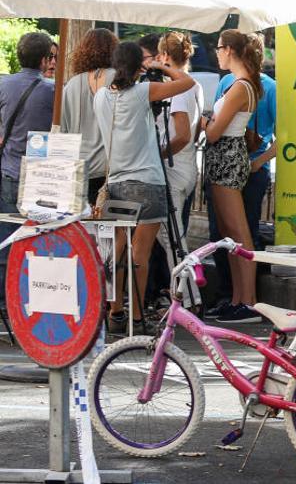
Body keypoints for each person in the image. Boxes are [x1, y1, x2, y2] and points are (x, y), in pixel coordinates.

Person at [94, 41, 195, 334]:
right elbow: (186, 82)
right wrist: (160, 66)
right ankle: (136, 318)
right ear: (139, 65)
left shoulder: (100, 97)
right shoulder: (143, 92)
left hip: (116, 183)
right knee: (141, 255)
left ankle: (115, 313)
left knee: (116, 252)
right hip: (147, 182)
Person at [206, 33, 277, 320]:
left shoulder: (241, 86)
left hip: (227, 159)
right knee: (230, 234)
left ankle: (247, 301)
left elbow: (213, 133)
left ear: (231, 51)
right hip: (225, 159)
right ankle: (239, 298)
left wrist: (204, 122)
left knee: (239, 233)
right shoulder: (240, 84)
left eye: (220, 48)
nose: (217, 53)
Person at [0, 32, 55, 298]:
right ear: (45, 59)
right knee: (36, 240)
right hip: (40, 177)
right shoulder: (52, 90)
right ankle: (28, 297)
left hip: (9, 171)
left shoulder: (4, 85)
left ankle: (6, 298)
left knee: (8, 239)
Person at [154, 31, 204, 310]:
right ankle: (187, 295)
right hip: (187, 166)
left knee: (172, 237)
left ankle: (189, 297)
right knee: (174, 236)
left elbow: (183, 134)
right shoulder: (194, 86)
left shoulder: (180, 89)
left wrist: (158, 153)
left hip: (175, 167)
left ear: (164, 56)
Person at [61, 28, 119, 206]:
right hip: (111, 168)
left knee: (81, 229)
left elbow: (63, 131)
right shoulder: (119, 80)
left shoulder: (71, 85)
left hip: (78, 168)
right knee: (110, 229)